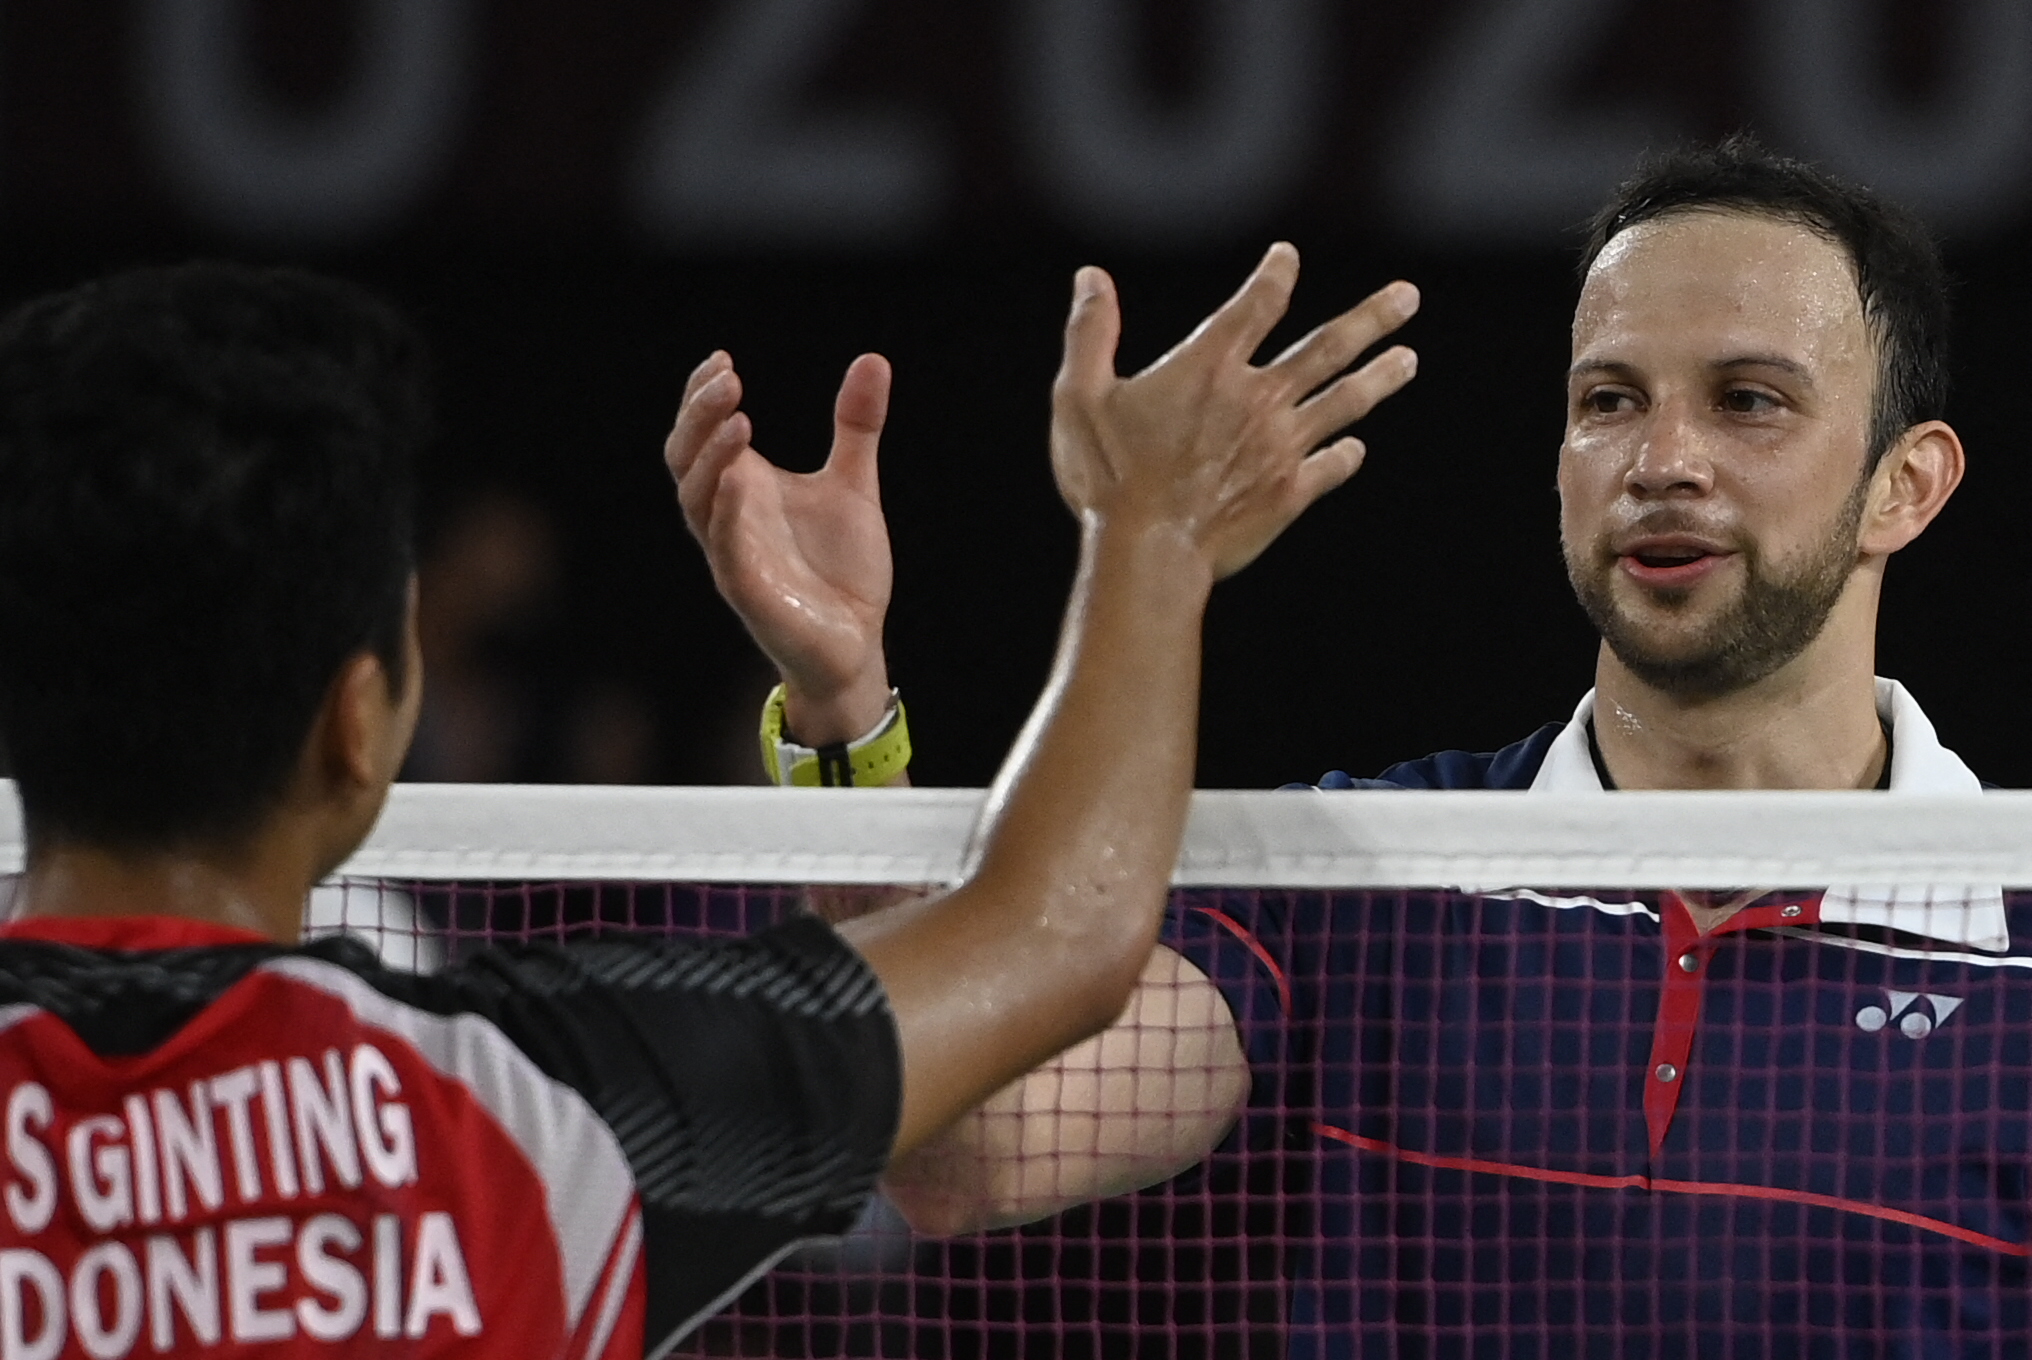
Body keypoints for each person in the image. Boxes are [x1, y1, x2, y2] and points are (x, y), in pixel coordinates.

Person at [681, 138, 2027, 1354]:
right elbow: (962, 1153)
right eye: (1610, 400)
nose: (1662, 459)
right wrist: (844, 713)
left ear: (1905, 485)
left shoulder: (2016, 939)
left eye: (1749, 401)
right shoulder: (1374, 878)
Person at [0, 249, 1414, 1357]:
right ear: (359, 725)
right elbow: (1057, 938)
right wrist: (1149, 536)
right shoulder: (544, 1108)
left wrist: (847, 708)